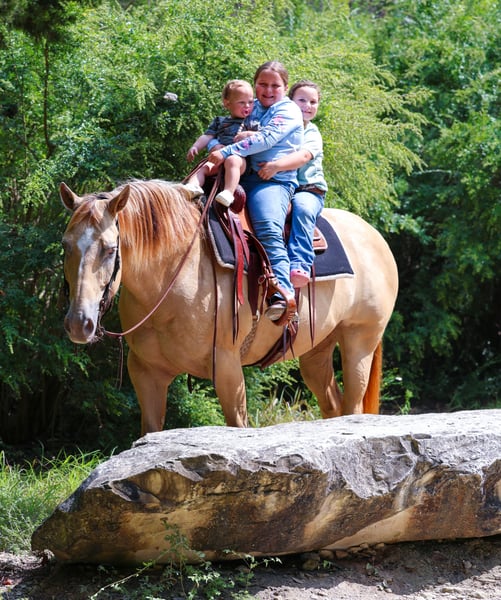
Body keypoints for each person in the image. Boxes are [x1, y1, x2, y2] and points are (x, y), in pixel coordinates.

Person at [208, 61, 304, 321]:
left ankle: (282, 293)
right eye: (262, 84)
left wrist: (227, 151)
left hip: (271, 182)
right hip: (240, 172)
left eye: (275, 85)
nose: (268, 90)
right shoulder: (252, 106)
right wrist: (215, 145)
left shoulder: (288, 110)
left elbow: (267, 139)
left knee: (267, 227)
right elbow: (225, 128)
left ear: (285, 87)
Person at [257, 80, 327, 288]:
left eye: (313, 102)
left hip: (307, 189)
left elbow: (303, 156)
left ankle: (299, 263)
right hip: (283, 185)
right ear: (290, 101)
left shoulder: (311, 133)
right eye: (302, 100)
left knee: (303, 208)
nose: (308, 106)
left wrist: (275, 166)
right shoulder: (279, 124)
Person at [185, 79, 258, 207]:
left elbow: (262, 137)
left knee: (232, 160)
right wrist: (196, 146)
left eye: (250, 102)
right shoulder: (220, 121)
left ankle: (228, 192)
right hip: (219, 158)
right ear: (227, 103)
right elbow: (207, 136)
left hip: (240, 161)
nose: (247, 106)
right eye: (241, 102)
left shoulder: (252, 122)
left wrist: (249, 134)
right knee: (203, 167)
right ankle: (193, 186)